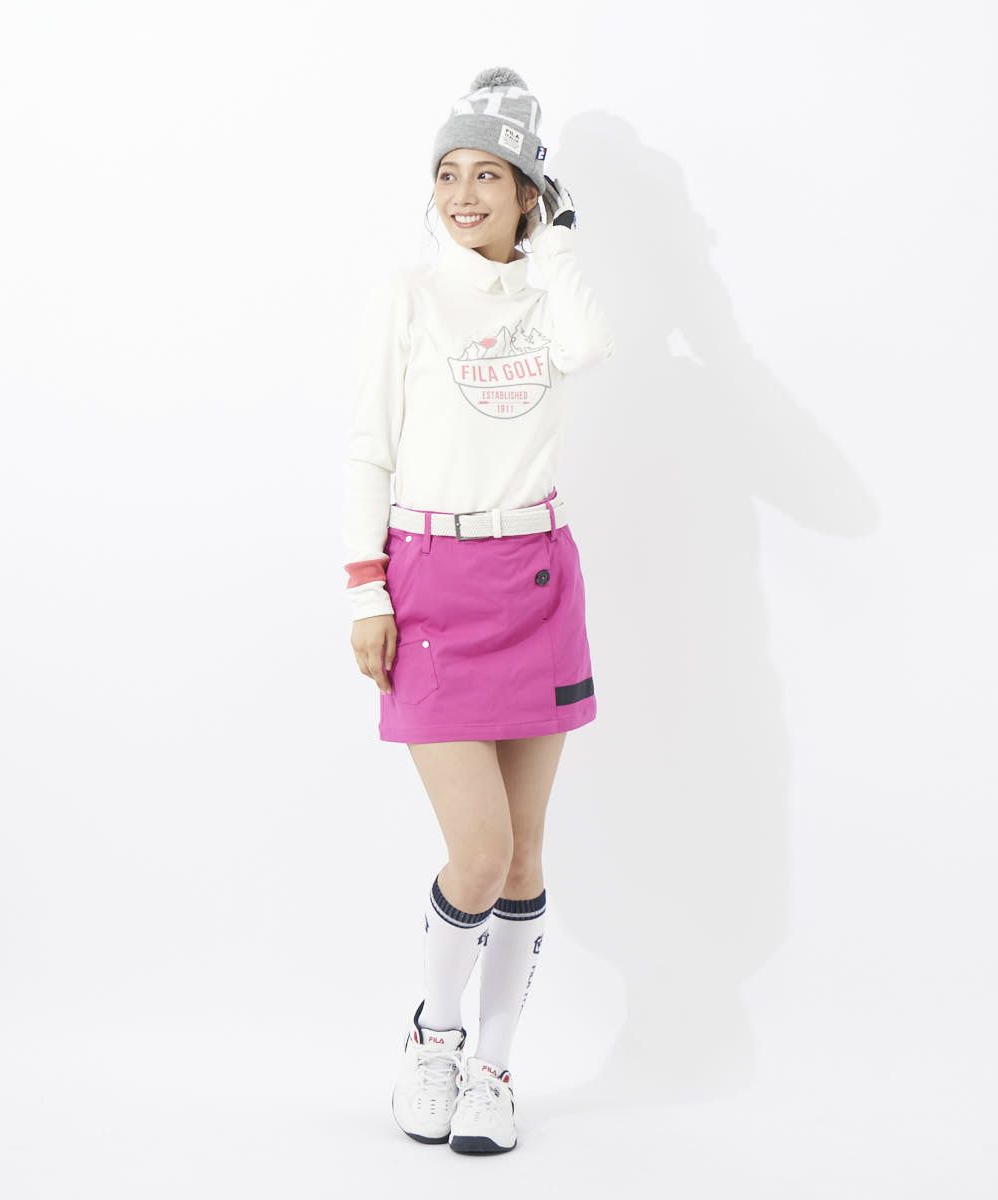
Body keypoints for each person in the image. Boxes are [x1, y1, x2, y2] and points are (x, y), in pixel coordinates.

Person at [342, 66, 614, 1154]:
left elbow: (591, 347)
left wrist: (557, 244)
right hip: (431, 581)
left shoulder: (548, 293)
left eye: (488, 175)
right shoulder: (408, 295)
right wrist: (366, 588)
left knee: (526, 855)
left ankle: (495, 1070)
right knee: (480, 852)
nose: (462, 194)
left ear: (526, 193)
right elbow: (367, 447)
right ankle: (436, 1040)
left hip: (537, 577)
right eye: (448, 173)